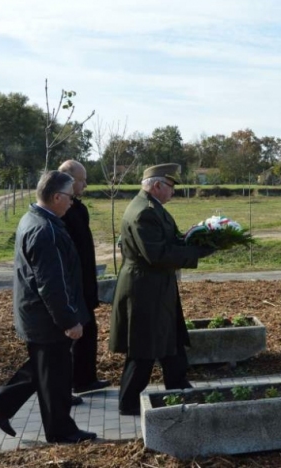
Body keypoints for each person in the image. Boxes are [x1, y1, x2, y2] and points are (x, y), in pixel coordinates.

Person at [0, 171, 97, 444]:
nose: (72, 201)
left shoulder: (34, 218)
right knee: (55, 377)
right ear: (56, 197)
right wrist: (69, 321)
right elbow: (51, 285)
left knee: (44, 368)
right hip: (47, 318)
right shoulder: (45, 231)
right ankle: (61, 431)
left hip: (36, 315)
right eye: (69, 196)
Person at [109, 163, 214, 416]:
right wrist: (196, 253)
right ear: (157, 186)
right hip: (144, 288)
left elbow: (171, 239)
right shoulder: (144, 212)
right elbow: (157, 254)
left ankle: (178, 385)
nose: (173, 192)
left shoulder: (153, 208)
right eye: (170, 186)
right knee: (144, 347)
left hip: (155, 285)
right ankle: (129, 400)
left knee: (170, 337)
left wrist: (201, 237)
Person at [58, 160, 110, 396]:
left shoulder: (79, 208)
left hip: (86, 283)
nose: (86, 184)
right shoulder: (62, 213)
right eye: (82, 180)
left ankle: (85, 379)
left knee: (89, 331)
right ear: (68, 180)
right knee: (71, 337)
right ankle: (67, 385)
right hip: (72, 286)